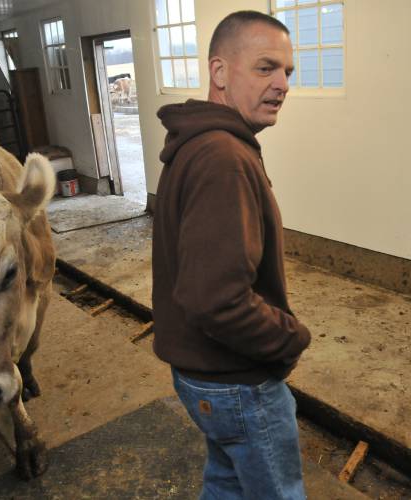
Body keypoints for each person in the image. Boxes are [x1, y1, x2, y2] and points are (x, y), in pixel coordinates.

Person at [152, 10, 312, 500]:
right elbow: (213, 299)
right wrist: (290, 338)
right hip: (236, 383)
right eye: (266, 68)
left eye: (288, 71)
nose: (282, 84)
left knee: (226, 486)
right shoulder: (223, 157)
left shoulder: (203, 145)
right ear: (219, 72)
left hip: (201, 377)